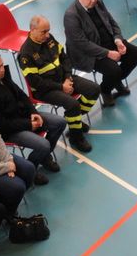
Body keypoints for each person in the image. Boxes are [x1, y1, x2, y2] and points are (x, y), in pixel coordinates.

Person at [0, 50, 64, 177]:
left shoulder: (2, 77)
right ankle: (30, 170)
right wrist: (28, 124)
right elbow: (0, 124)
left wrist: (34, 112)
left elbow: (21, 95)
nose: (2, 70)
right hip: (9, 131)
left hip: (23, 117)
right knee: (44, 145)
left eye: (2, 65)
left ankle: (43, 158)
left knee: (59, 123)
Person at [18, 15, 99, 153]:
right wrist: (61, 87)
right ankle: (76, 137)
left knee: (94, 89)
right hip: (45, 90)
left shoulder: (49, 39)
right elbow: (36, 82)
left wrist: (67, 77)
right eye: (44, 32)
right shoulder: (26, 53)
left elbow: (64, 58)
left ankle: (74, 121)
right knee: (73, 105)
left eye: (48, 31)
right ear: (32, 30)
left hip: (63, 79)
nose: (47, 35)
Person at [63, 0, 137, 104]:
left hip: (108, 42)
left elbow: (112, 22)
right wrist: (108, 53)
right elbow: (81, 44)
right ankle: (105, 90)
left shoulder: (98, 2)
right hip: (88, 53)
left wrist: (118, 40)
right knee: (114, 70)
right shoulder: (71, 15)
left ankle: (114, 81)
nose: (93, 0)